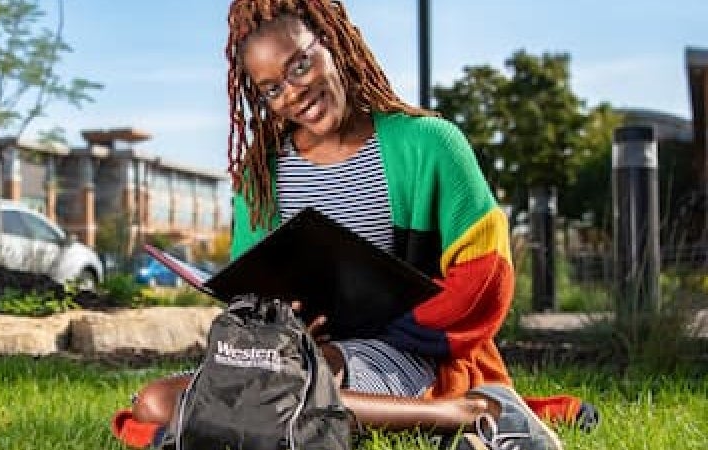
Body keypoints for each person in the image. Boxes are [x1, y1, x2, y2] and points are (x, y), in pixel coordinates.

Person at [111, 1, 597, 449]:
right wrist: (286, 323)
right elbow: (253, 294)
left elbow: (485, 279)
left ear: (333, 41)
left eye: (300, 64)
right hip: (292, 355)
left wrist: (384, 323)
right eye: (272, 88)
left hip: (403, 349)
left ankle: (469, 407)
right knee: (155, 402)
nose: (294, 93)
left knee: (287, 387)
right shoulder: (260, 174)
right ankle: (450, 415)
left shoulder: (431, 143)